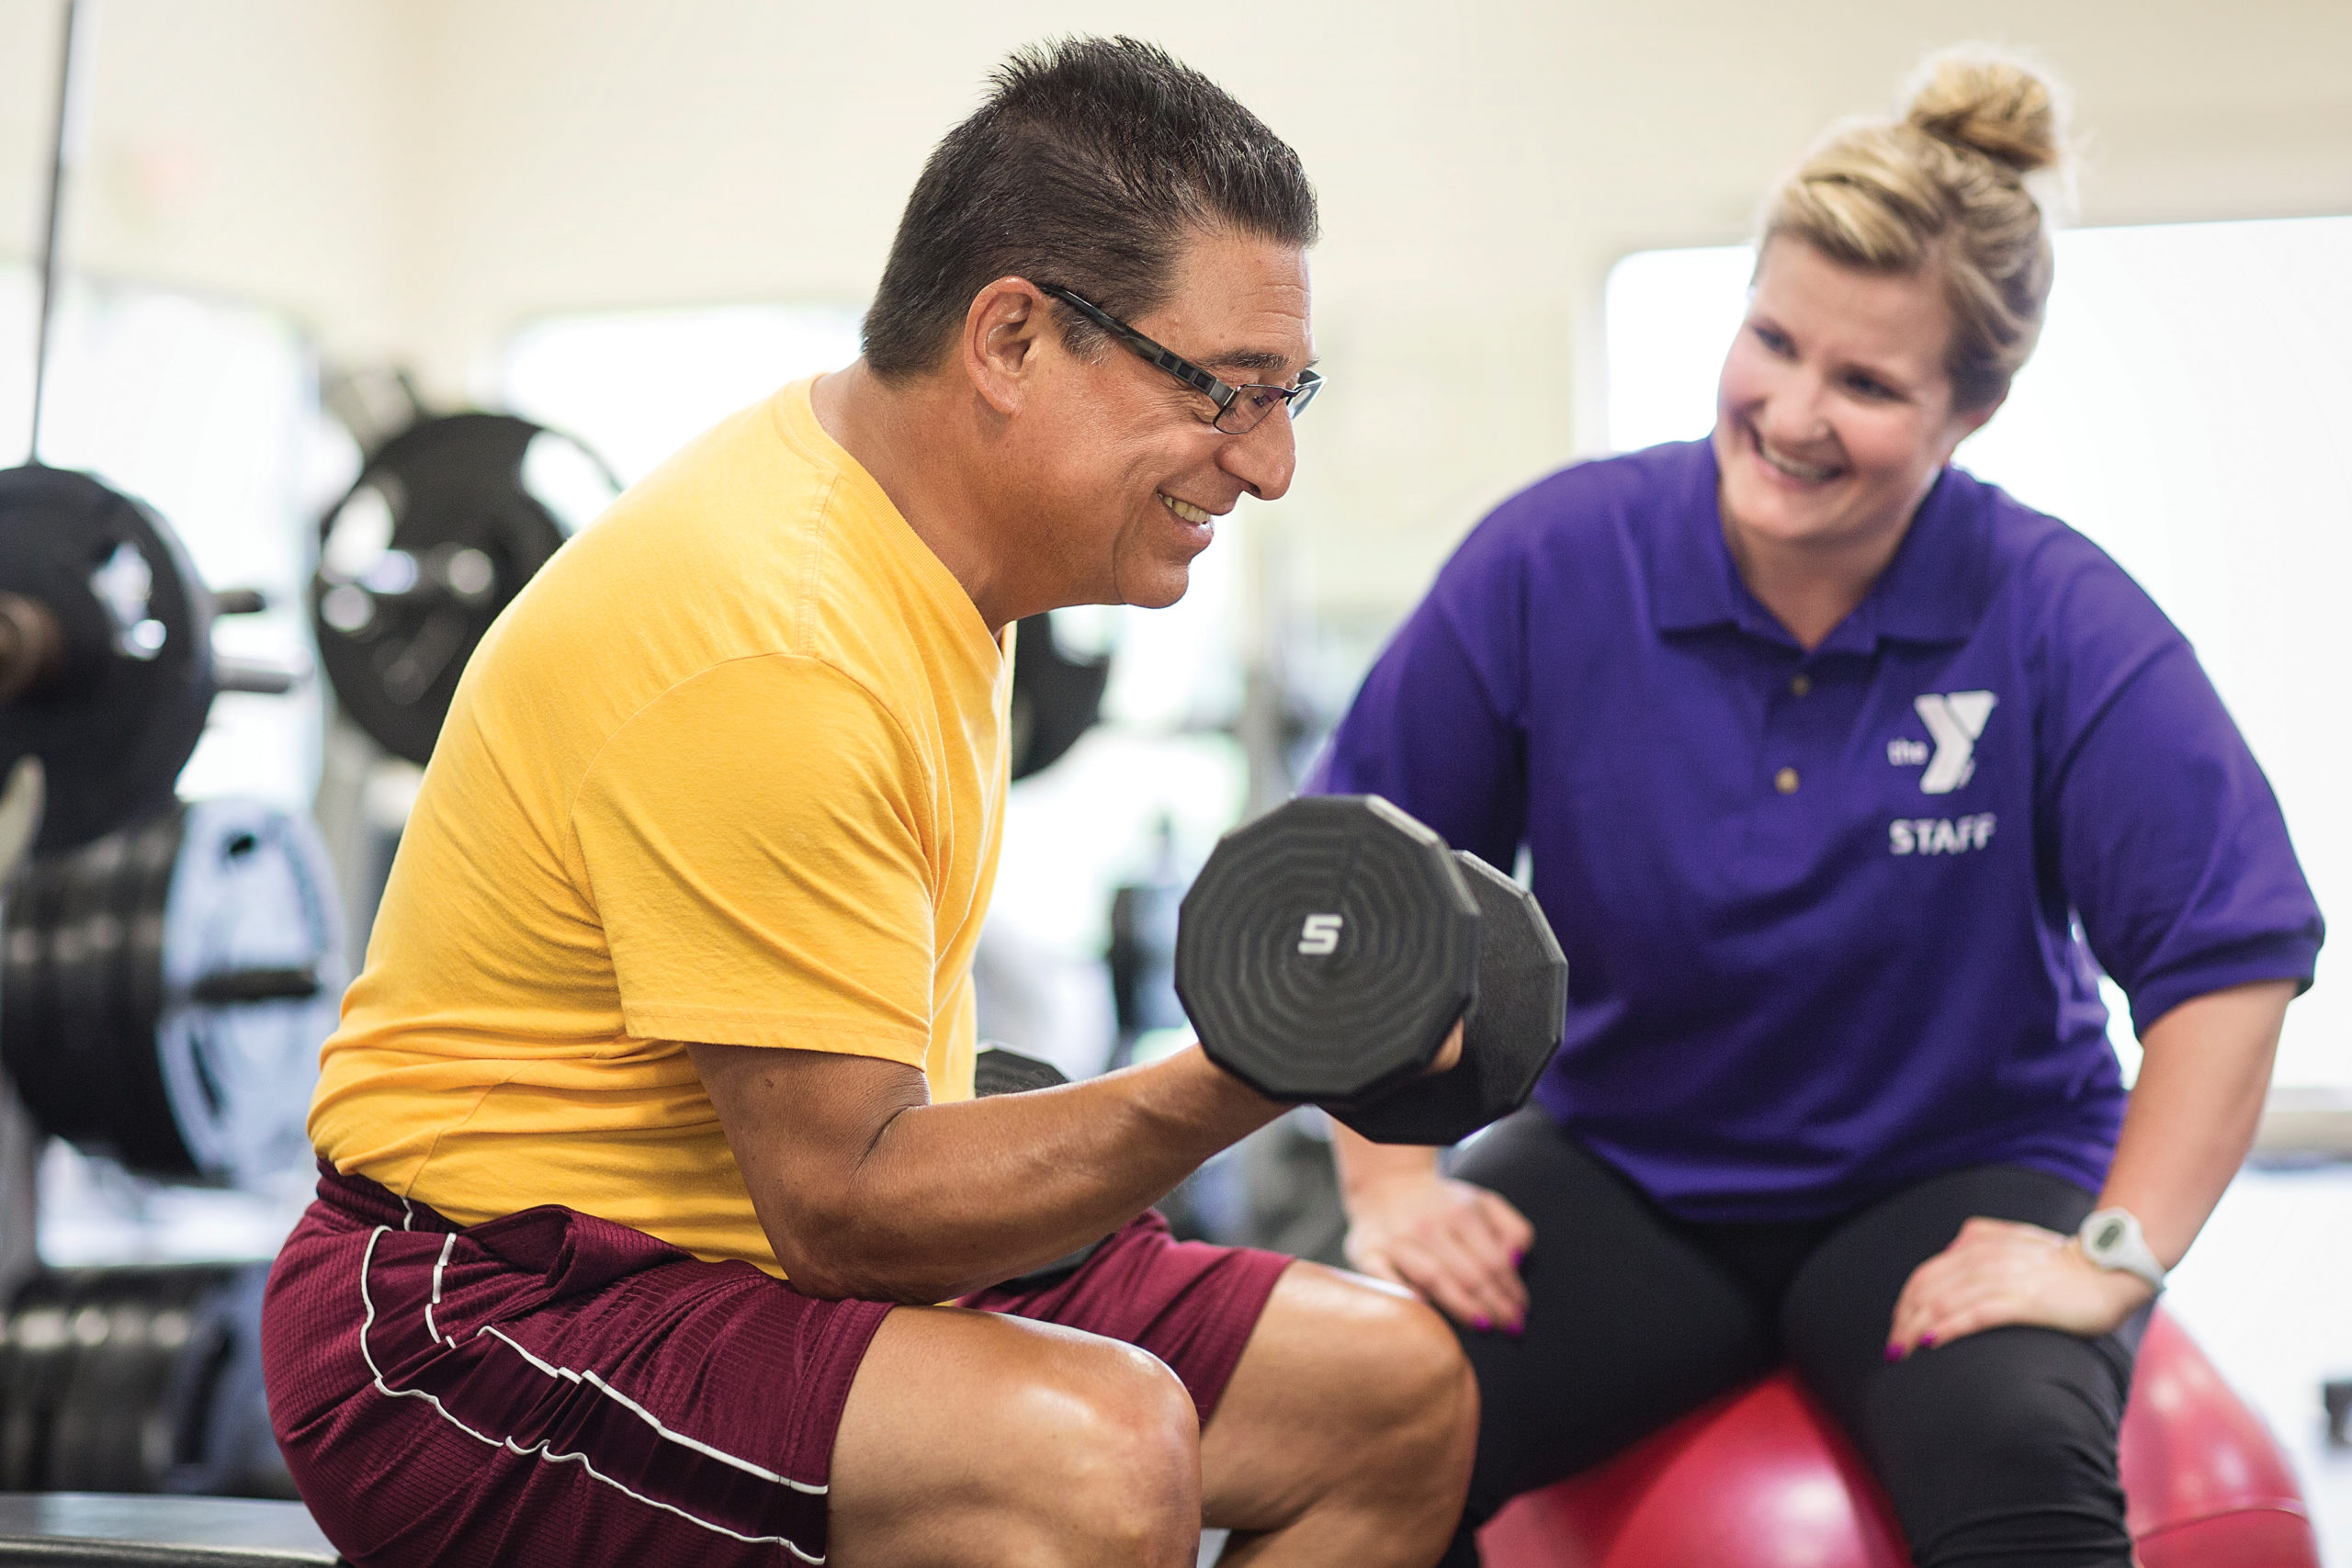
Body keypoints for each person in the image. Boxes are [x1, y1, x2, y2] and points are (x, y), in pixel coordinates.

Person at [263, 39, 1477, 1568]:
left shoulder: (941, 554)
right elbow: (847, 1205)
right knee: (1089, 1459)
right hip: (481, 1315)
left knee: (1389, 1389)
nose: (1272, 463)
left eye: (1286, 391)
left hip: (757, 1264)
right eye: (1224, 393)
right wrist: (1255, 1067)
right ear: (1014, 340)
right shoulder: (774, 633)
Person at [1314, 51, 2324, 1568]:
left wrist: (2113, 1256)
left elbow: (2230, 952)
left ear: (1970, 412)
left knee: (2017, 1454)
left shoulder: (2050, 613)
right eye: (1772, 340)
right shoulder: (1557, 563)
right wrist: (1387, 1179)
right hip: (1626, 1169)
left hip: (1959, 1174)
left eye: (1865, 383)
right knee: (1353, 1419)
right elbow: (1370, 873)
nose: (1790, 411)